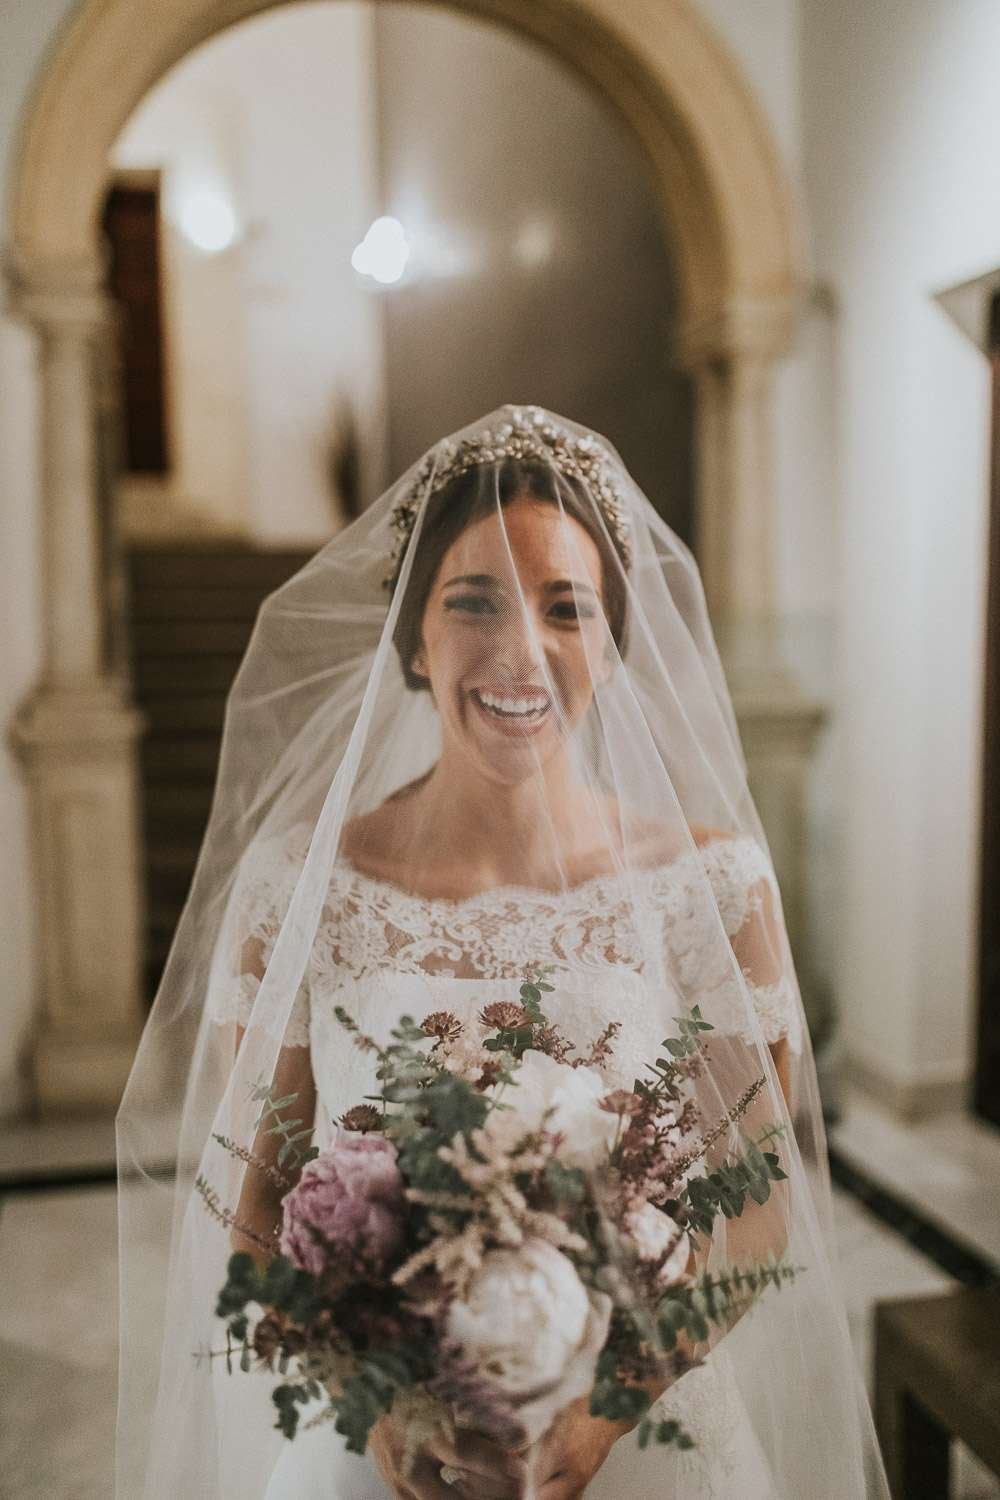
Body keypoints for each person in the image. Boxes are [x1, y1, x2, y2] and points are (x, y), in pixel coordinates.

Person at [116, 404, 888, 1499]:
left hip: (635, 1443)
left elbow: (758, 1205)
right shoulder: (304, 887)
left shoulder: (708, 889)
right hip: (378, 1454)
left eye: (567, 609)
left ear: (615, 648)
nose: (521, 649)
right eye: (473, 601)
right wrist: (382, 1402)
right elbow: (254, 1208)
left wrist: (606, 1407)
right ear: (415, 639)